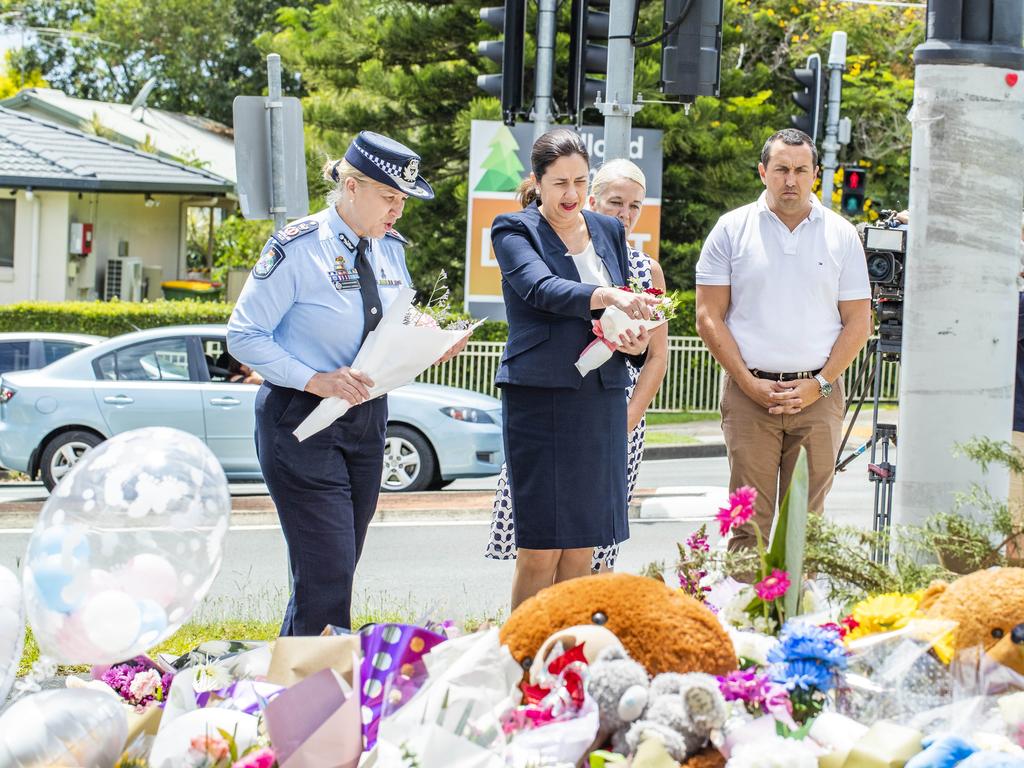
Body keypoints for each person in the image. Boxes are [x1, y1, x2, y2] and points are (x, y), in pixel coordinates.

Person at [227, 131, 464, 635]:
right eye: (389, 198)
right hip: (301, 417)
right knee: (328, 573)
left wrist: (427, 339)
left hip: (366, 419)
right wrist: (315, 379)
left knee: (331, 573)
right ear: (351, 186)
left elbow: (389, 323)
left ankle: (292, 689)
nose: (397, 211)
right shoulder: (297, 247)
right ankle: (319, 699)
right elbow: (244, 335)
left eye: (402, 200)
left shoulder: (390, 248)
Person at [490, 129, 661, 609]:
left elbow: (624, 314)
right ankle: (522, 660)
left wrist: (634, 337)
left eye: (580, 182)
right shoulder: (513, 230)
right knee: (541, 549)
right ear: (538, 183)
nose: (572, 194)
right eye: (559, 182)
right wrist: (606, 296)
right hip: (539, 397)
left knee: (582, 549)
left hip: (602, 397)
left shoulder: (608, 230)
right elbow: (540, 288)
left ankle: (568, 658)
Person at [695, 128, 872, 553]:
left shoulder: (841, 234)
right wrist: (747, 382)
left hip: (819, 395)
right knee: (747, 524)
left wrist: (821, 384)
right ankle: (741, 616)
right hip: (750, 393)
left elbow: (858, 322)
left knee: (805, 527)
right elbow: (708, 316)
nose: (790, 180)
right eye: (781, 169)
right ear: (762, 172)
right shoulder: (731, 229)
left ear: (815, 174)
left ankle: (797, 619)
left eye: (800, 170)